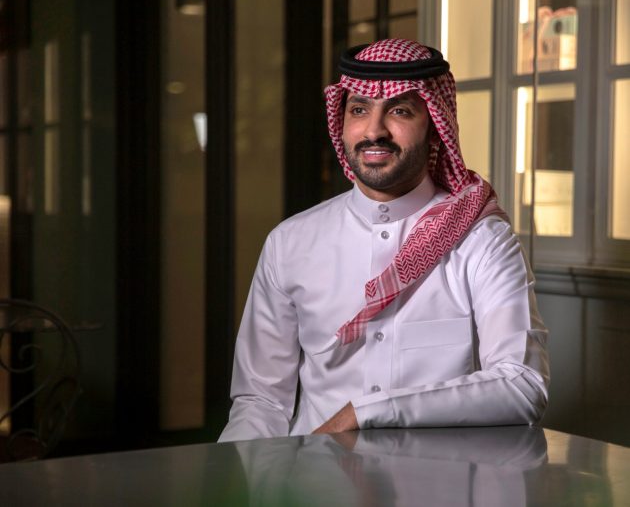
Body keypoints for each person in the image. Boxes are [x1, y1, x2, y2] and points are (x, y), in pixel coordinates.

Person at [218, 38, 549, 442]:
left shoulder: (482, 240)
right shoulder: (290, 243)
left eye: (400, 111)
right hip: (312, 474)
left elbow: (522, 385)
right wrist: (238, 472)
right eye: (359, 110)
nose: (374, 130)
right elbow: (261, 400)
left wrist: (367, 413)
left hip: (435, 477)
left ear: (435, 126)